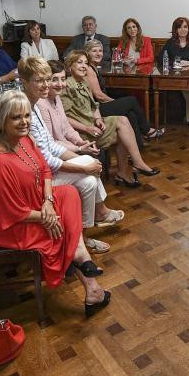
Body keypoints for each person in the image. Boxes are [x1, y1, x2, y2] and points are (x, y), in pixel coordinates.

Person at [0, 92, 110, 318]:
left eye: (27, 116)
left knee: (68, 194)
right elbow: (12, 212)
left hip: (30, 204)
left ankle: (77, 255)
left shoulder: (24, 140)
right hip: (5, 226)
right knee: (61, 226)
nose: (24, 122)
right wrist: (47, 217)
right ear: (1, 120)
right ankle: (91, 285)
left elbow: (45, 169)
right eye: (16, 117)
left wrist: (47, 202)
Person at [18, 57, 121, 252]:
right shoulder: (27, 109)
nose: (46, 84)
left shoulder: (35, 103)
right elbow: (45, 158)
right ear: (24, 82)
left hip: (46, 170)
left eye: (47, 79)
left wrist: (84, 157)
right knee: (88, 172)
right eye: (40, 80)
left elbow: (50, 145)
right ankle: (93, 223)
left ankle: (82, 237)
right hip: (36, 179)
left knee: (89, 180)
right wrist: (83, 165)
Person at [61, 51, 158, 188]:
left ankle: (129, 169)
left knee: (124, 123)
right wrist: (88, 128)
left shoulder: (84, 81)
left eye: (86, 63)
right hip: (81, 132)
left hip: (93, 125)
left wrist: (99, 119)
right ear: (70, 65)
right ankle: (132, 167)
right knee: (123, 129)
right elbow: (65, 118)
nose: (84, 66)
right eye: (80, 62)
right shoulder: (66, 85)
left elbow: (94, 106)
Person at [82, 39, 162, 141]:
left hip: (101, 105)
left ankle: (138, 146)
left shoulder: (94, 67)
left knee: (131, 114)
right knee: (131, 101)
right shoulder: (89, 69)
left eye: (100, 51)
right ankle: (147, 130)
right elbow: (98, 96)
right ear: (87, 53)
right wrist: (115, 102)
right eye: (94, 51)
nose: (98, 54)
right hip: (97, 109)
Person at [160, 16, 189, 125]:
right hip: (178, 75)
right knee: (186, 87)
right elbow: (160, 59)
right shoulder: (170, 42)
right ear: (175, 29)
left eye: (185, 27)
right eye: (179, 27)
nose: (182, 29)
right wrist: (174, 63)